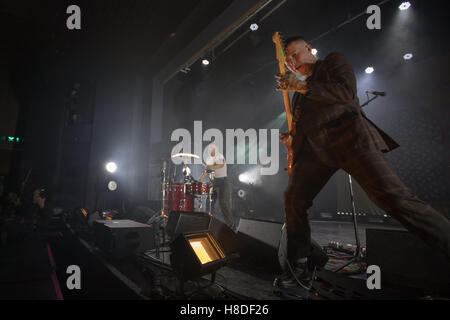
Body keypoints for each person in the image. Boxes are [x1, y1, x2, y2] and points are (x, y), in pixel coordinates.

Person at [273, 36, 450, 288]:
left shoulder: (333, 62)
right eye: (287, 59)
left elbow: (345, 94)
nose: (290, 62)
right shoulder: (297, 95)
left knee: (396, 200)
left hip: (350, 140)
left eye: (293, 54)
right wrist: (292, 142)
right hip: (316, 152)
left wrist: (301, 84)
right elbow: (301, 127)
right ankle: (298, 266)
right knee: (293, 199)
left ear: (310, 49)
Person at [199, 143, 237, 232]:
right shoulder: (209, 159)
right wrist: (200, 179)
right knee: (209, 200)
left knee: (223, 202)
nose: (211, 149)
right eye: (210, 148)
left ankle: (232, 225)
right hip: (215, 181)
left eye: (213, 148)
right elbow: (207, 171)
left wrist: (211, 166)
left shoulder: (219, 156)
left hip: (223, 180)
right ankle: (208, 222)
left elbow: (220, 165)